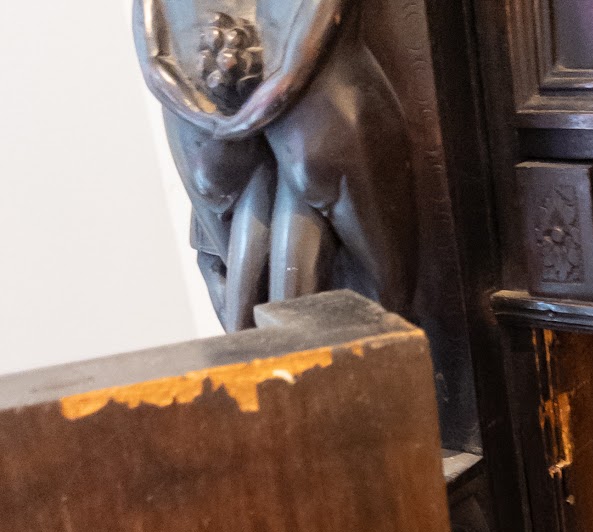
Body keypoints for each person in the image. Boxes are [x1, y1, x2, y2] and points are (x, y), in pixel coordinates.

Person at [134, 0, 415, 330]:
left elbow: (155, 64)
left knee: (271, 300)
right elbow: (293, 67)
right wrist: (236, 125)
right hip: (304, 129)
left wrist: (222, 124)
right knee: (376, 290)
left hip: (240, 138)